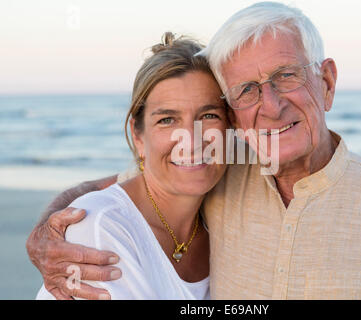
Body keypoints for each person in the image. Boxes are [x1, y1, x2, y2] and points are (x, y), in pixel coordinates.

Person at [27, 2, 361, 299]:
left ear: (327, 82)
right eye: (246, 90)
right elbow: (119, 193)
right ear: (234, 113)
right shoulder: (219, 167)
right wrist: (48, 231)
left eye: (286, 75)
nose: (271, 105)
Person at [35, 32, 229, 299]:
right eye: (167, 120)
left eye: (209, 115)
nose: (192, 141)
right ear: (138, 136)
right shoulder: (100, 226)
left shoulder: (221, 227)